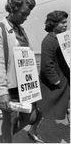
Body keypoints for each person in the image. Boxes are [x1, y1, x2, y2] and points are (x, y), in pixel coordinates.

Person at [0, 0, 42, 143]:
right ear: (13, 9)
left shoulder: (21, 30)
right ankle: (6, 140)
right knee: (10, 119)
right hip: (10, 85)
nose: (26, 17)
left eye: (28, 14)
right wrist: (2, 91)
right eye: (23, 13)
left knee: (31, 116)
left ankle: (3, 138)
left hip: (26, 85)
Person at [28, 10, 70, 142]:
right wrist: (56, 81)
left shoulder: (61, 38)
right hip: (54, 83)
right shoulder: (49, 41)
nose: (66, 25)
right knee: (42, 108)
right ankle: (32, 130)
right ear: (54, 24)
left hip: (65, 80)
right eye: (62, 23)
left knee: (66, 107)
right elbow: (46, 64)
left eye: (66, 22)